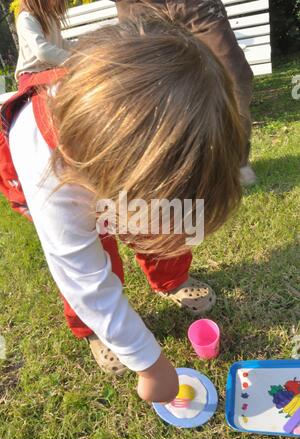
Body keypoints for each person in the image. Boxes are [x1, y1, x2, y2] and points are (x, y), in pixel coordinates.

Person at [0, 12, 244, 403]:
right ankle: (92, 329)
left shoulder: (132, 138)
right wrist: (149, 363)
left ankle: (171, 278)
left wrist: (167, 217)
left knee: (166, 226)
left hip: (103, 167)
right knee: (96, 259)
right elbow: (83, 278)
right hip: (56, 180)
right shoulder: (51, 176)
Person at [114, 0, 256, 185]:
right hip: (137, 5)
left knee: (235, 77)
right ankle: (166, 170)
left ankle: (235, 160)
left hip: (195, 5)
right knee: (146, 89)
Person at [15, 0, 72, 91]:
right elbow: (42, 51)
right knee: (68, 80)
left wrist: (85, 44)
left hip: (50, 72)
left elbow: (60, 44)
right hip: (32, 76)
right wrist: (73, 60)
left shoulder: (50, 16)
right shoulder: (26, 18)